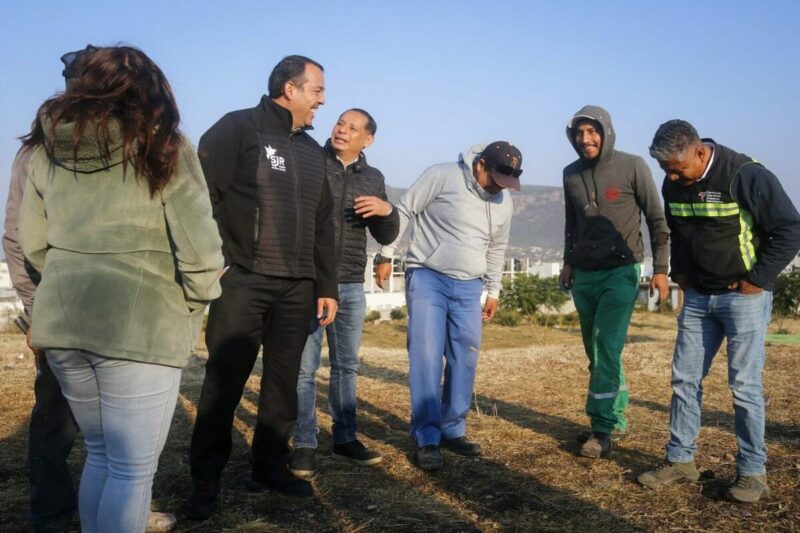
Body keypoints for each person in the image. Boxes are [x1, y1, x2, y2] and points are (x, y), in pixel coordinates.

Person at [18, 46, 224, 533]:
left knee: (102, 456)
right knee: (131, 469)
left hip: (65, 323)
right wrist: (193, 299)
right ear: (152, 88)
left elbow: (33, 243)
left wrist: (70, 280)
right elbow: (199, 247)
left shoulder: (47, 150)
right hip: (143, 326)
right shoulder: (164, 144)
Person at [186, 55, 338, 519]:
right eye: (316, 90)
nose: (322, 100)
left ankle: (269, 467)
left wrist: (325, 285)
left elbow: (323, 222)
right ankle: (205, 480)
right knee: (224, 383)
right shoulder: (238, 128)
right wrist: (218, 261)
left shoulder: (314, 152)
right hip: (243, 281)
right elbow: (199, 196)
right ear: (290, 89)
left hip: (297, 287)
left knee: (282, 384)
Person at [637, 119, 800, 502]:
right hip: (697, 299)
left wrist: (757, 279)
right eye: (666, 171)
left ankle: (752, 472)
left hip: (743, 298)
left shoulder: (745, 175)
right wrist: (680, 273)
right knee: (684, 380)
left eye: (678, 169)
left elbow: (790, 229)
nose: (673, 178)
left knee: (744, 387)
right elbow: (677, 230)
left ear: (699, 151)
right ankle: (680, 462)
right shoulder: (673, 181)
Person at [375, 142, 520, 471]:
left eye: (507, 182)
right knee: (426, 354)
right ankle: (426, 436)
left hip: (471, 286)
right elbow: (405, 210)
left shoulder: (503, 200)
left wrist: (493, 290)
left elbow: (497, 247)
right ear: (480, 164)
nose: (500, 186)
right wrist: (386, 254)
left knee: (465, 355)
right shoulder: (441, 175)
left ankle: (453, 428)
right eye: (496, 177)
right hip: (428, 276)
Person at [290, 108, 399, 478]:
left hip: (352, 282)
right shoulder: (309, 160)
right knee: (304, 369)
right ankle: (304, 444)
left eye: (352, 128)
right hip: (309, 280)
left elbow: (386, 235)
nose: (341, 130)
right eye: (339, 123)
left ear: (367, 139)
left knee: (346, 367)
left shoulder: (373, 177)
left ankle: (346, 437)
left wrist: (387, 210)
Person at [559, 105, 669, 459]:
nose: (585, 139)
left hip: (621, 272)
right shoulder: (570, 174)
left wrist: (661, 268)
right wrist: (567, 260)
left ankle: (602, 429)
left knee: (606, 346)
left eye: (592, 132)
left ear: (606, 132)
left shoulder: (633, 165)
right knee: (597, 353)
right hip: (584, 275)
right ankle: (615, 415)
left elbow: (656, 219)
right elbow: (571, 222)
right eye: (579, 133)